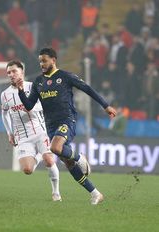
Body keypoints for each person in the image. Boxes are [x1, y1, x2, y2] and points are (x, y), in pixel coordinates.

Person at [16, 47, 117, 205]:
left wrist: (105, 106)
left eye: (44, 60)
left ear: (53, 60)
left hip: (67, 120)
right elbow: (29, 105)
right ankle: (95, 193)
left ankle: (79, 157)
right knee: (68, 164)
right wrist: (21, 91)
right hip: (50, 126)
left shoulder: (65, 76)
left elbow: (87, 89)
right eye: (40, 61)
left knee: (56, 148)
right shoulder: (38, 82)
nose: (41, 64)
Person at [1, 60, 62, 201]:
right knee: (27, 170)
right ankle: (39, 155)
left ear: (22, 71)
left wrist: (33, 108)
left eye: (14, 71)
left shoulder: (34, 87)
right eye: (8, 72)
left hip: (40, 131)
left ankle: (56, 193)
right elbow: (4, 114)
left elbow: (47, 105)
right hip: (22, 136)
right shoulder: (5, 95)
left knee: (49, 160)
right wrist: (9, 132)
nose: (11, 74)